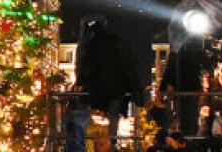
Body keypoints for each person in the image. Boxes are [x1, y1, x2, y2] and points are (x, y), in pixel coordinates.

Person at [70, 16, 144, 150]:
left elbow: (87, 67)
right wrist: (137, 92)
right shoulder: (116, 41)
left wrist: (81, 81)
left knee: (84, 115)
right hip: (116, 89)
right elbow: (129, 66)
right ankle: (112, 144)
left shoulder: (91, 44)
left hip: (98, 89)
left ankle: (84, 144)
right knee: (113, 116)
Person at [160, 38, 210, 136]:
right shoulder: (184, 53)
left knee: (188, 115)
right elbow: (170, 69)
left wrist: (163, 87)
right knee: (187, 115)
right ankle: (188, 137)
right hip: (185, 88)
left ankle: (188, 137)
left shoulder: (187, 52)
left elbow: (169, 69)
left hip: (186, 88)